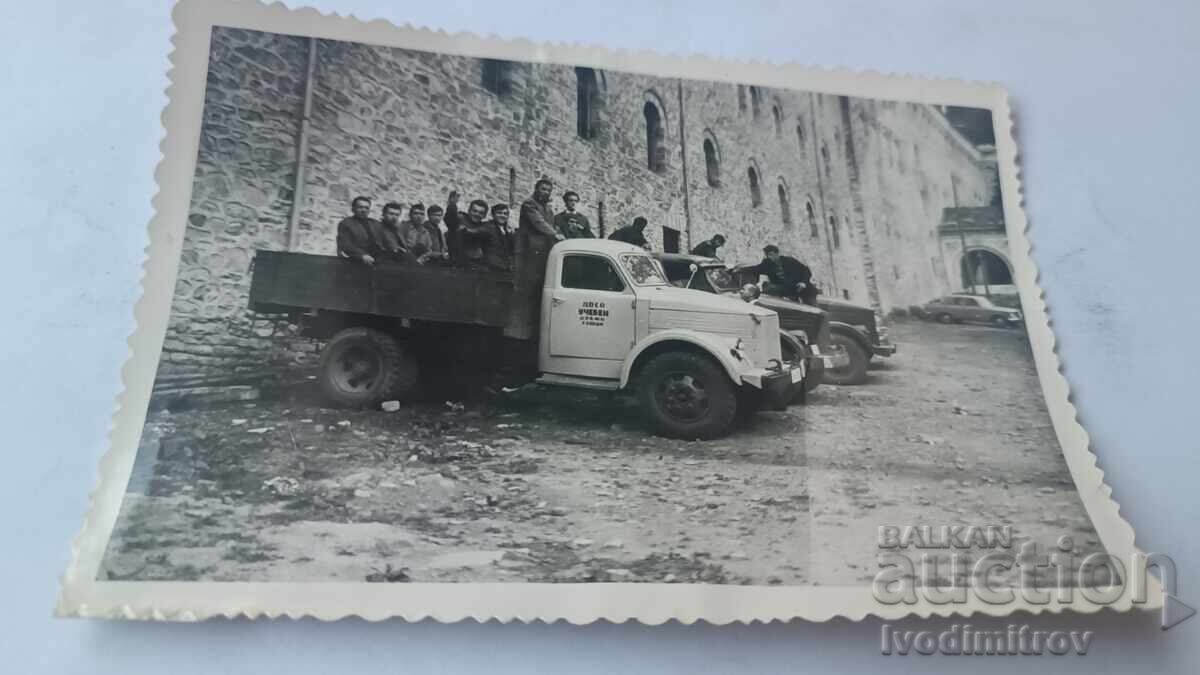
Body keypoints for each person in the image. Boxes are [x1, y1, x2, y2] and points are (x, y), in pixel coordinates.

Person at [511, 177, 564, 338]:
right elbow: (539, 223)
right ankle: (520, 329)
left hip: (542, 252)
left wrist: (560, 234)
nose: (546, 192)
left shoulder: (548, 209)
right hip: (528, 251)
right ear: (536, 189)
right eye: (543, 189)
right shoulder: (530, 204)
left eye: (548, 190)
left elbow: (553, 225)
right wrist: (555, 234)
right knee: (526, 288)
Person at [744, 244, 818, 305]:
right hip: (789, 290)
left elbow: (806, 270)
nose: (769, 257)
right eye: (767, 255)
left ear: (777, 254)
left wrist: (803, 282)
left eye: (771, 254)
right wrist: (739, 269)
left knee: (813, 309)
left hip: (804, 288)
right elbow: (755, 268)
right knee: (770, 289)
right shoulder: (767, 264)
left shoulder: (789, 261)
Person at [336, 196, 381, 265]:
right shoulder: (346, 223)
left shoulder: (375, 223)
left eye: (366, 208)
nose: (363, 210)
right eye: (360, 207)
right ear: (353, 209)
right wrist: (362, 255)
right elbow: (345, 244)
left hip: (377, 260)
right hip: (357, 261)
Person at [451, 198, 493, 267]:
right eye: (474, 211)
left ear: (484, 216)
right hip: (456, 263)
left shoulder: (485, 226)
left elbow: (481, 231)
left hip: (475, 264)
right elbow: (450, 218)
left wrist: (467, 230)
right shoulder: (460, 219)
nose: (477, 214)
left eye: (481, 213)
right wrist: (451, 206)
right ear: (469, 211)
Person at [486, 203, 516, 272]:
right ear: (493, 215)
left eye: (505, 214)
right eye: (499, 213)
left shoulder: (508, 229)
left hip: (506, 268)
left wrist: (511, 234)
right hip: (491, 268)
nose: (503, 215)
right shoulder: (487, 227)